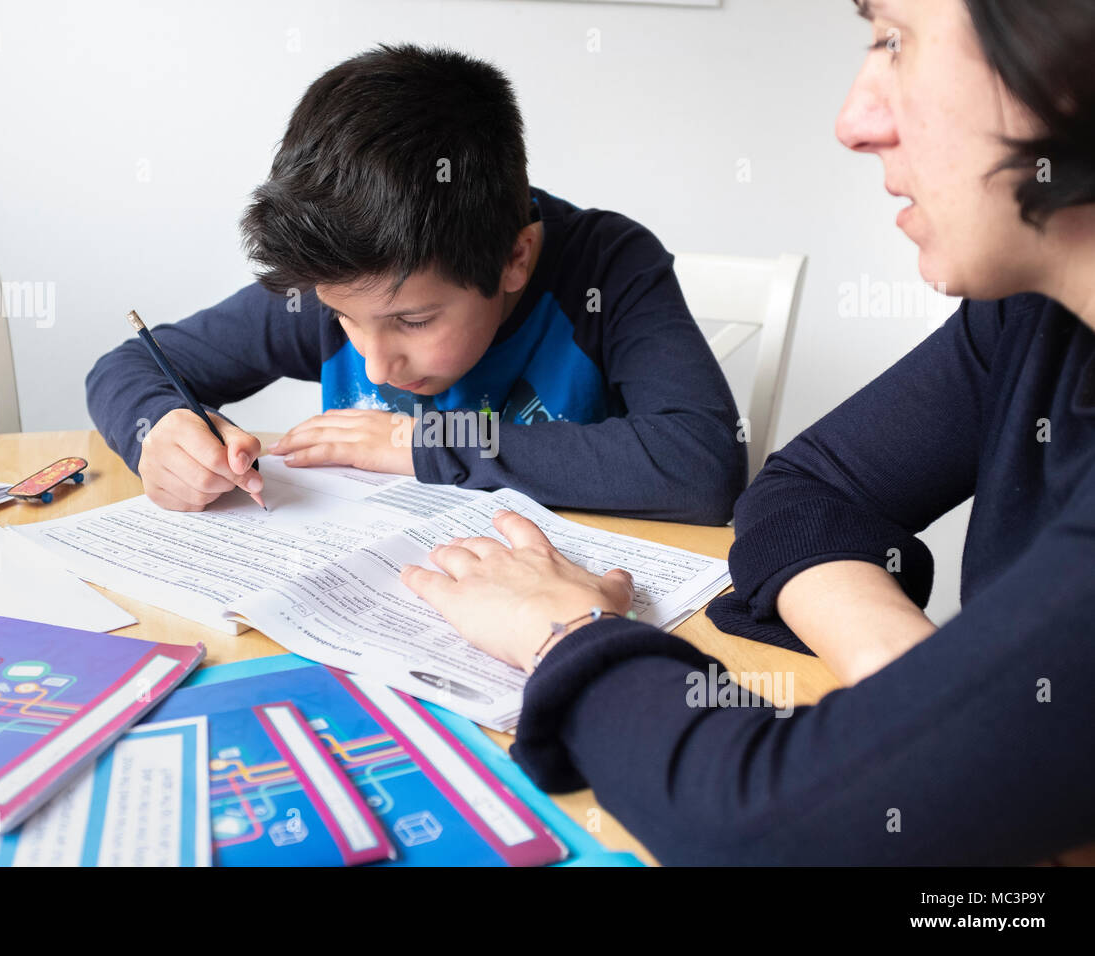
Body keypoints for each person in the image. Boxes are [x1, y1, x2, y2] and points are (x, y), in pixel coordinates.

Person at [400, 0, 1095, 864]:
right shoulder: (1033, 319)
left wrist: (570, 634)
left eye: (894, 38)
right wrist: (911, 682)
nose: (854, 121)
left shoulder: (608, 257)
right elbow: (805, 489)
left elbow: (763, 827)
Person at [85, 44, 746, 524]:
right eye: (344, 318)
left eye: (413, 321)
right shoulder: (343, 271)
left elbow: (701, 465)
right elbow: (132, 365)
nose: (376, 361)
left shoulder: (608, 266)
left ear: (515, 259)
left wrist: (421, 442)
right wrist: (161, 431)